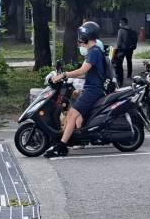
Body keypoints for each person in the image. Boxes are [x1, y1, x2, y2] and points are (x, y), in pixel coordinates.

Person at [44, 21, 107, 158]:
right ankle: (72, 139)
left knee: (72, 114)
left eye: (81, 35)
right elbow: (87, 73)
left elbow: (83, 70)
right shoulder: (93, 51)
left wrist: (65, 74)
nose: (79, 38)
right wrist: (68, 77)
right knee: (75, 115)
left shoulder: (94, 52)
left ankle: (61, 147)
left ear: (87, 35)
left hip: (93, 90)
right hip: (91, 88)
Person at [114, 17, 137, 87]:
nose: (119, 24)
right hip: (130, 49)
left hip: (122, 50)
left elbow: (118, 42)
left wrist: (116, 50)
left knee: (119, 63)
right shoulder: (132, 30)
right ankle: (129, 75)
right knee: (129, 61)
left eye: (120, 22)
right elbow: (136, 39)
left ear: (123, 23)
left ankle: (120, 77)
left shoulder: (121, 30)